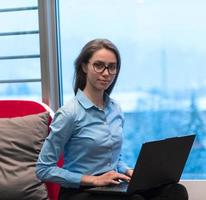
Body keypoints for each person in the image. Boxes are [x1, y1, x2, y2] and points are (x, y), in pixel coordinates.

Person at [36, 39, 188, 200]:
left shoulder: (115, 109)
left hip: (110, 187)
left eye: (112, 67)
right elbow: (43, 169)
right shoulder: (69, 113)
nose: (106, 73)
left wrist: (127, 170)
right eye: (99, 65)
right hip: (80, 192)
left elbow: (115, 158)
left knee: (176, 191)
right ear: (84, 66)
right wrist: (94, 180)